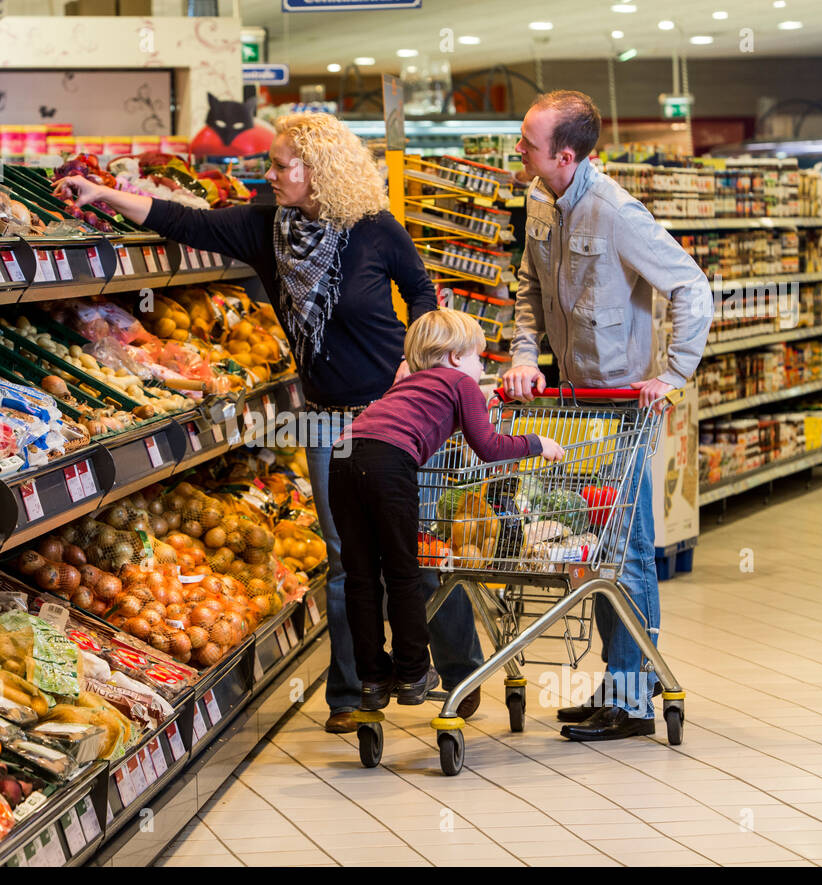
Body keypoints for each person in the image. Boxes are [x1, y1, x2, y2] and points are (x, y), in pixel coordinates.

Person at [54, 113, 488, 734]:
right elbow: (185, 220)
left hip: (402, 414)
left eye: (282, 164)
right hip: (326, 421)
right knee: (345, 558)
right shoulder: (270, 230)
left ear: (320, 170)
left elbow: (422, 295)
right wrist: (105, 194)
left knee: (414, 550)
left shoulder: (375, 231)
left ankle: (459, 665)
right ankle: (352, 694)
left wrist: (414, 365)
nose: (270, 173)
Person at [503, 90, 712, 742]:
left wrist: (673, 374)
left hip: (624, 406)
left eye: (529, 142)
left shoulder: (617, 213)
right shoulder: (540, 201)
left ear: (565, 155)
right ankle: (618, 681)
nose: (519, 149)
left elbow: (691, 286)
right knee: (594, 552)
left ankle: (630, 693)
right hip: (571, 405)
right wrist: (523, 355)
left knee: (628, 553)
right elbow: (529, 290)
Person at [331, 310, 564, 709]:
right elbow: (488, 447)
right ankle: (412, 673)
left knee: (361, 577)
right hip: (389, 463)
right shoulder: (460, 382)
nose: (482, 366)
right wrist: (537, 443)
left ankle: (371, 678)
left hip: (344, 456)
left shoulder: (405, 385)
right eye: (480, 358)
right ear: (457, 357)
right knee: (403, 571)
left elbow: (421, 422)